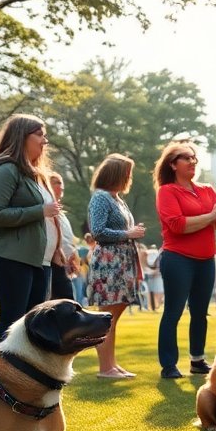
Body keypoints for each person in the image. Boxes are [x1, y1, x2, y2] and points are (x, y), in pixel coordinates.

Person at [154, 141, 216, 378]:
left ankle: (197, 360)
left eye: (194, 158)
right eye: (186, 158)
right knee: (174, 311)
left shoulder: (207, 190)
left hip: (206, 259)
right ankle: (169, 365)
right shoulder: (167, 191)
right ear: (173, 164)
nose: (192, 162)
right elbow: (177, 225)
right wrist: (212, 216)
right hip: (178, 259)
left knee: (200, 312)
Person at [0, 115, 59, 351]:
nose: (45, 141)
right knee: (12, 322)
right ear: (21, 137)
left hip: (40, 260)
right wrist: (39, 210)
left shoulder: (35, 173)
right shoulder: (7, 169)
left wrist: (57, 250)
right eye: (39, 134)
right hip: (13, 257)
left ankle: (23, 380)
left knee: (32, 325)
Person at [86, 153, 146, 379]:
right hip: (109, 262)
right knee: (107, 317)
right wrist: (128, 233)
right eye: (127, 174)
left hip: (122, 260)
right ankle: (105, 368)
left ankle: (111, 364)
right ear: (116, 175)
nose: (129, 178)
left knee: (113, 317)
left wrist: (131, 234)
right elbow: (98, 231)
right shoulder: (101, 197)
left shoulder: (117, 199)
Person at [48, 172, 79, 302]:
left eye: (62, 183)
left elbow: (67, 238)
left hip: (64, 263)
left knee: (67, 300)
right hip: (52, 262)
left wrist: (72, 256)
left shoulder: (61, 213)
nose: (62, 187)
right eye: (58, 183)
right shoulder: (47, 209)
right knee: (65, 300)